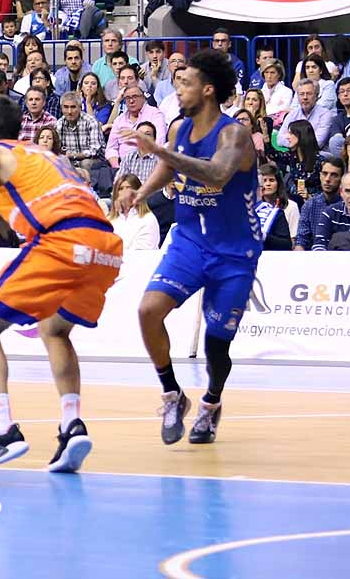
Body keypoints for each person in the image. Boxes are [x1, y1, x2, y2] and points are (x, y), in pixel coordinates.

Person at [0, 94, 122, 473]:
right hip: (105, 248)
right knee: (55, 331)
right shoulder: (48, 157)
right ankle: (71, 424)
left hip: (63, 240)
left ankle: (1, 430)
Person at [118, 50, 259, 447]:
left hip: (234, 251)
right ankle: (172, 394)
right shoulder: (179, 129)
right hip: (190, 241)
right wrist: (142, 192)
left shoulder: (235, 135)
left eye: (186, 83)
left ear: (208, 90)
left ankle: (211, 402)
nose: (177, 89)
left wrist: (161, 150)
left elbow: (216, 172)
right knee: (148, 311)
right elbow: (171, 166)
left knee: (217, 343)